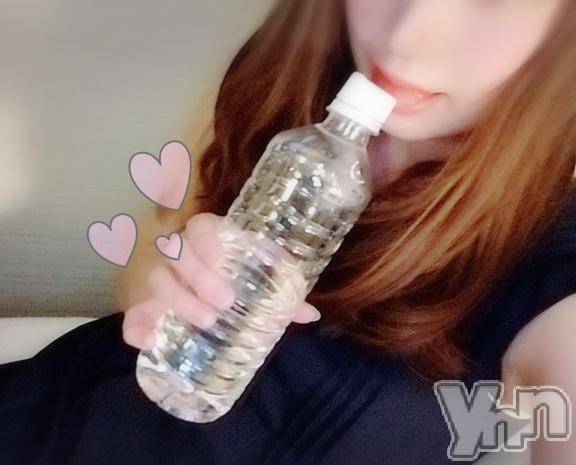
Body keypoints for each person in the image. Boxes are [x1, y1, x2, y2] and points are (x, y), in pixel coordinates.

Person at [1, 0, 576, 463]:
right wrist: (167, 284)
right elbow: (159, 251)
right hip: (48, 409)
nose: (404, 38)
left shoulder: (552, 259)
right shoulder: (284, 71)